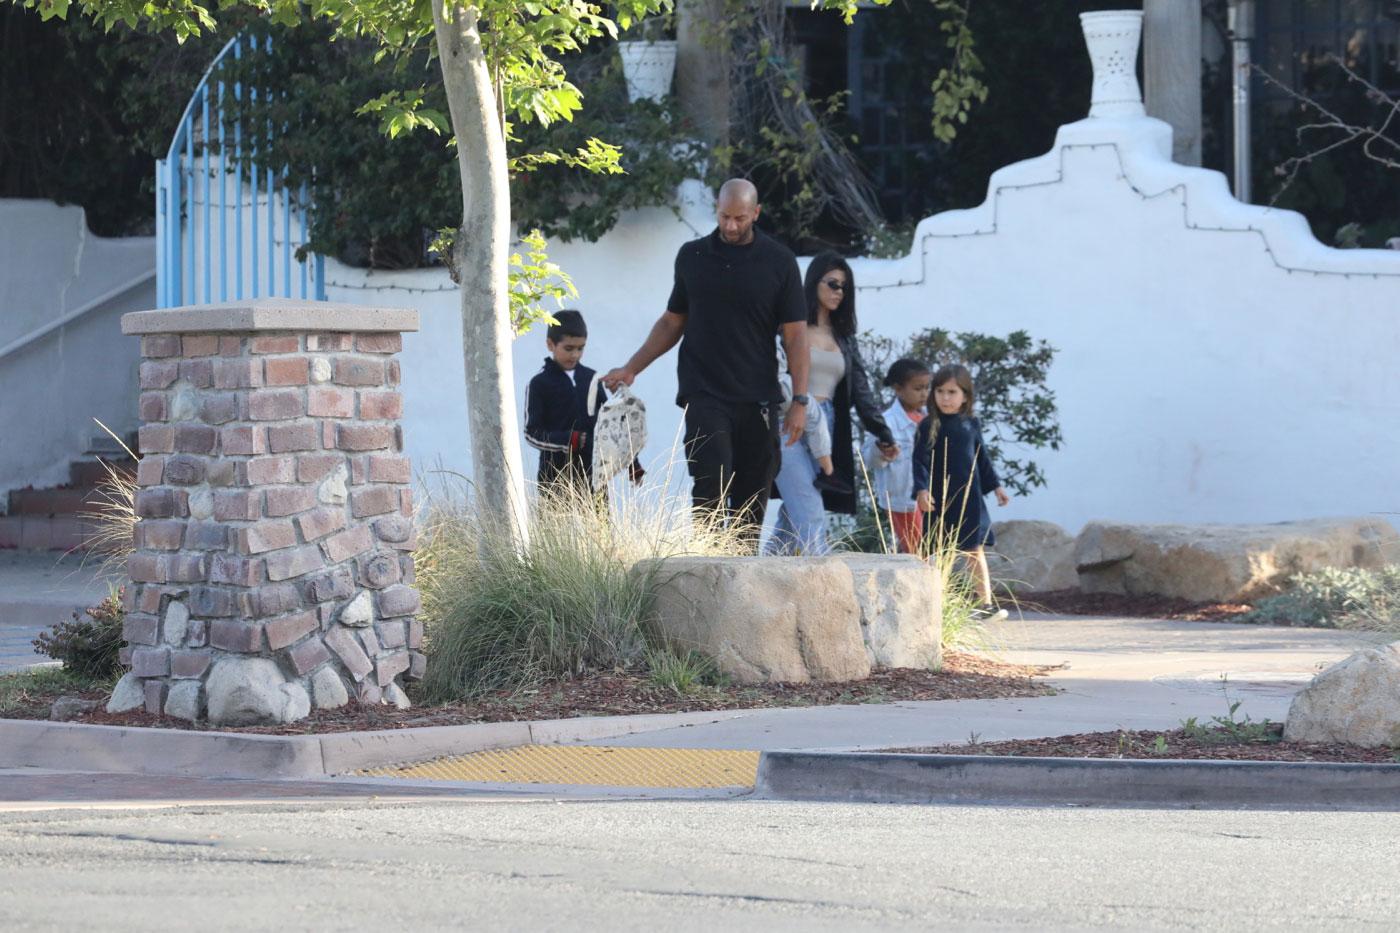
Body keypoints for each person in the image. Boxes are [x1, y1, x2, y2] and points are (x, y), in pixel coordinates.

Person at [602, 179, 809, 548]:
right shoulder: (692, 257)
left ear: (756, 213)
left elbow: (795, 335)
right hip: (705, 391)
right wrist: (632, 367)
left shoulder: (779, 262)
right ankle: (706, 561)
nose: (730, 226)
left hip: (758, 395)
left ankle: (743, 570)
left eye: (740, 218)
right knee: (710, 480)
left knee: (753, 490)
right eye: (724, 216)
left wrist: (801, 400)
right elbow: (672, 321)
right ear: (717, 210)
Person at [766, 251, 898, 555]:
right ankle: (822, 588)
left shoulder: (844, 339)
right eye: (833, 284)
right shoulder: (788, 328)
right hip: (787, 424)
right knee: (810, 510)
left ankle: (761, 580)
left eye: (845, 287)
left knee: (793, 514)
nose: (839, 292)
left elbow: (861, 392)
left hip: (825, 429)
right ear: (814, 282)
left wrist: (884, 433)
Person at [912, 363, 1011, 620]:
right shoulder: (928, 426)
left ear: (965, 395)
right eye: (941, 391)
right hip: (939, 500)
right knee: (934, 551)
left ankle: (985, 604)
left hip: (969, 499)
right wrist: (921, 490)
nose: (945, 398)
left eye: (952, 392)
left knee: (973, 550)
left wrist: (996, 486)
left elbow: (982, 459)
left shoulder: (971, 424)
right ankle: (929, 605)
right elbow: (919, 461)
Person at [524, 310, 604, 495]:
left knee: (598, 524)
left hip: (594, 477)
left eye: (581, 348)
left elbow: (609, 424)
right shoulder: (539, 384)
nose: (575, 354)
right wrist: (568, 440)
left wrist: (632, 463)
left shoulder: (593, 379)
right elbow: (531, 433)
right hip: (554, 479)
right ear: (550, 344)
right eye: (569, 348)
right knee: (554, 524)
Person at [862, 358, 932, 554]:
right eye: (918, 388)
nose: (924, 394)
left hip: (932, 497)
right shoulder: (886, 422)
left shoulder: (932, 418)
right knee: (918, 550)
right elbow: (869, 460)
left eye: (927, 388)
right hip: (903, 500)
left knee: (933, 549)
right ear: (898, 389)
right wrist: (882, 451)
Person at [776, 336, 837, 485]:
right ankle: (828, 472)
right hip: (777, 388)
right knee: (814, 414)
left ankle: (827, 472)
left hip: (778, 387)